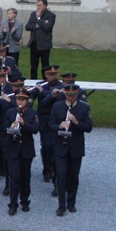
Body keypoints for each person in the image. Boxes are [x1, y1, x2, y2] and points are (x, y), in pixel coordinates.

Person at [49, 83, 92, 216]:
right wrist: (59, 126)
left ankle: (71, 203)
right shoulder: (57, 106)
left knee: (73, 177)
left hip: (75, 147)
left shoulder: (84, 107)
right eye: (68, 95)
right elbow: (50, 124)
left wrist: (76, 122)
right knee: (61, 175)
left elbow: (88, 127)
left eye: (73, 95)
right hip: (60, 146)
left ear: (77, 94)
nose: (71, 97)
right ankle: (61, 205)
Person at [4, 92, 39, 216]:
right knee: (14, 177)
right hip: (13, 149)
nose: (20, 102)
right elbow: (4, 128)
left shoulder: (32, 113)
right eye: (18, 99)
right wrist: (11, 126)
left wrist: (24, 124)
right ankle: (13, 204)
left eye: (23, 100)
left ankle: (25, 201)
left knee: (25, 176)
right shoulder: (10, 112)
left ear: (27, 101)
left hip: (26, 150)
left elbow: (35, 129)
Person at [24, 0, 55, 80]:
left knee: (45, 65)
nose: (38, 7)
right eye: (37, 5)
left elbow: (47, 27)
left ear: (45, 6)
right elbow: (27, 26)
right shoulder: (33, 14)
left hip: (44, 44)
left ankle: (46, 81)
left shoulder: (51, 15)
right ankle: (33, 81)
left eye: (40, 5)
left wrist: (38, 19)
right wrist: (38, 25)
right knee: (33, 66)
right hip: (34, 43)